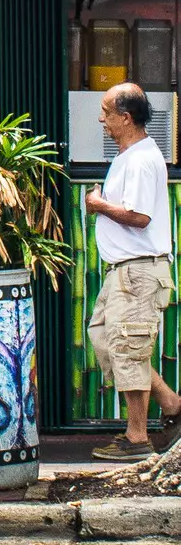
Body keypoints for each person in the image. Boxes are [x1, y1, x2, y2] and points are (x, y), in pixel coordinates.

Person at [85, 83, 181, 462]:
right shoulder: (128, 155)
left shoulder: (141, 159)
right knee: (108, 342)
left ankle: (136, 438)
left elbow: (139, 217)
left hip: (138, 272)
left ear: (125, 117)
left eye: (106, 112)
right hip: (123, 272)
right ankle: (172, 405)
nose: (101, 119)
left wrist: (98, 204)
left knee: (128, 347)